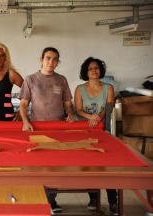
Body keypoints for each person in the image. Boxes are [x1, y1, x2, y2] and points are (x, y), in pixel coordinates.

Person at [19, 47, 74, 213]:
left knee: (55, 167)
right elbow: (23, 103)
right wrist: (25, 121)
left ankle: (51, 201)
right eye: (48, 58)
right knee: (37, 166)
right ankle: (37, 198)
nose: (51, 62)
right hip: (37, 128)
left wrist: (70, 115)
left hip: (58, 129)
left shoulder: (61, 80)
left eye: (55, 59)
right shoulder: (30, 79)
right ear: (41, 60)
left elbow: (67, 103)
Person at [74, 57, 118, 215]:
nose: (94, 70)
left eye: (97, 68)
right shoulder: (79, 89)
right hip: (85, 133)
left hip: (103, 132)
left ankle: (113, 202)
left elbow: (109, 107)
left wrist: (98, 116)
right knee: (90, 168)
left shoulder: (109, 88)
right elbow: (77, 110)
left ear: (101, 71)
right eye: (90, 68)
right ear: (86, 72)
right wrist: (90, 117)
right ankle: (93, 198)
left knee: (108, 169)